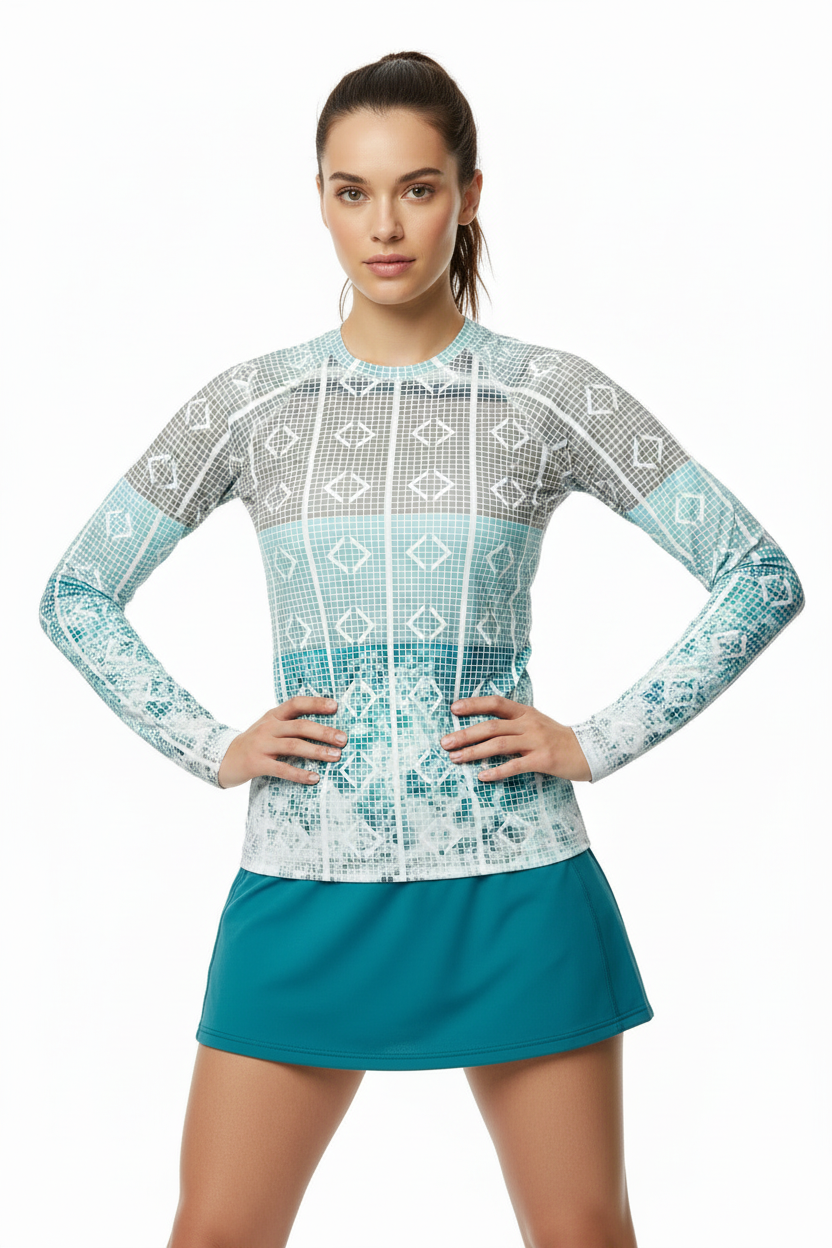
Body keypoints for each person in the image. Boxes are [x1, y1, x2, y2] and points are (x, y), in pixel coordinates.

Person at [38, 49, 805, 1248]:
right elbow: (77, 591)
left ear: (468, 194)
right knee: (217, 1231)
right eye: (352, 192)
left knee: (582, 1233)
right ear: (320, 200)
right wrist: (210, 744)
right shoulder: (250, 404)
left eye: (416, 188)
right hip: (303, 883)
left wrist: (596, 740)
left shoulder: (548, 395)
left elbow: (758, 575)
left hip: (515, 885)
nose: (384, 226)